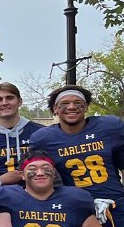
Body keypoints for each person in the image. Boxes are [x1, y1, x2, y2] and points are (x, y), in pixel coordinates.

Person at [2, 151, 122, 227]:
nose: (40, 173)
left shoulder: (73, 200)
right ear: (22, 175)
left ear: (54, 173)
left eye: (46, 168)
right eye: (32, 169)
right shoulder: (9, 198)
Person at [29, 84, 124, 218]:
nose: (72, 107)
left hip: (115, 204)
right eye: (65, 103)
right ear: (55, 109)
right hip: (74, 208)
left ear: (86, 107)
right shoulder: (43, 139)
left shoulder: (109, 127)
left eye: (78, 103)